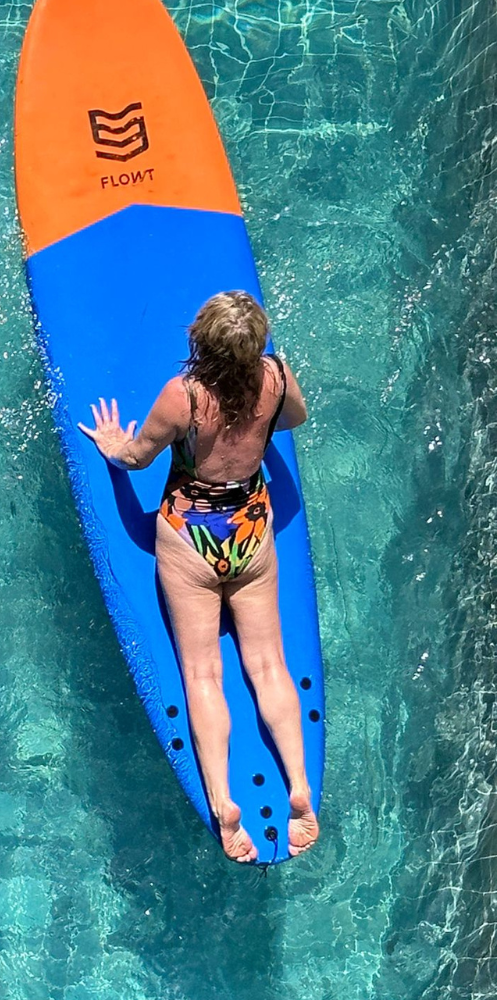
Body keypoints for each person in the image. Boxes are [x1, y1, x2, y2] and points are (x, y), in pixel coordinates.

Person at [77, 290, 319, 862]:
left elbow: (136, 457)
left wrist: (112, 444)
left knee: (204, 672)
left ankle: (224, 804)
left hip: (190, 543)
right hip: (250, 536)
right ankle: (300, 788)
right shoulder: (276, 377)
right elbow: (296, 418)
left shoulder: (184, 396)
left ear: (200, 343)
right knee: (269, 664)